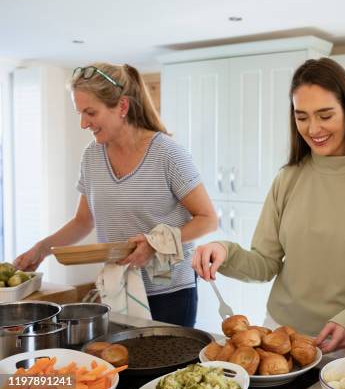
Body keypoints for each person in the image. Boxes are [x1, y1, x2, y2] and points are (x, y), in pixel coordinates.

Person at [191, 57, 345, 352]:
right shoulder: (288, 179)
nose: (313, 128)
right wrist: (224, 251)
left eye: (325, 115)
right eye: (302, 116)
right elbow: (264, 264)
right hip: (280, 337)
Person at [14, 63, 217, 327]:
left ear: (122, 107)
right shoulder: (91, 157)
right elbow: (83, 221)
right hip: (116, 288)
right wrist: (42, 250)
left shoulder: (167, 154)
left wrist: (156, 243)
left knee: (164, 368)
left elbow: (208, 219)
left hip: (169, 293)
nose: (83, 123)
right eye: (80, 113)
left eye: (90, 112)